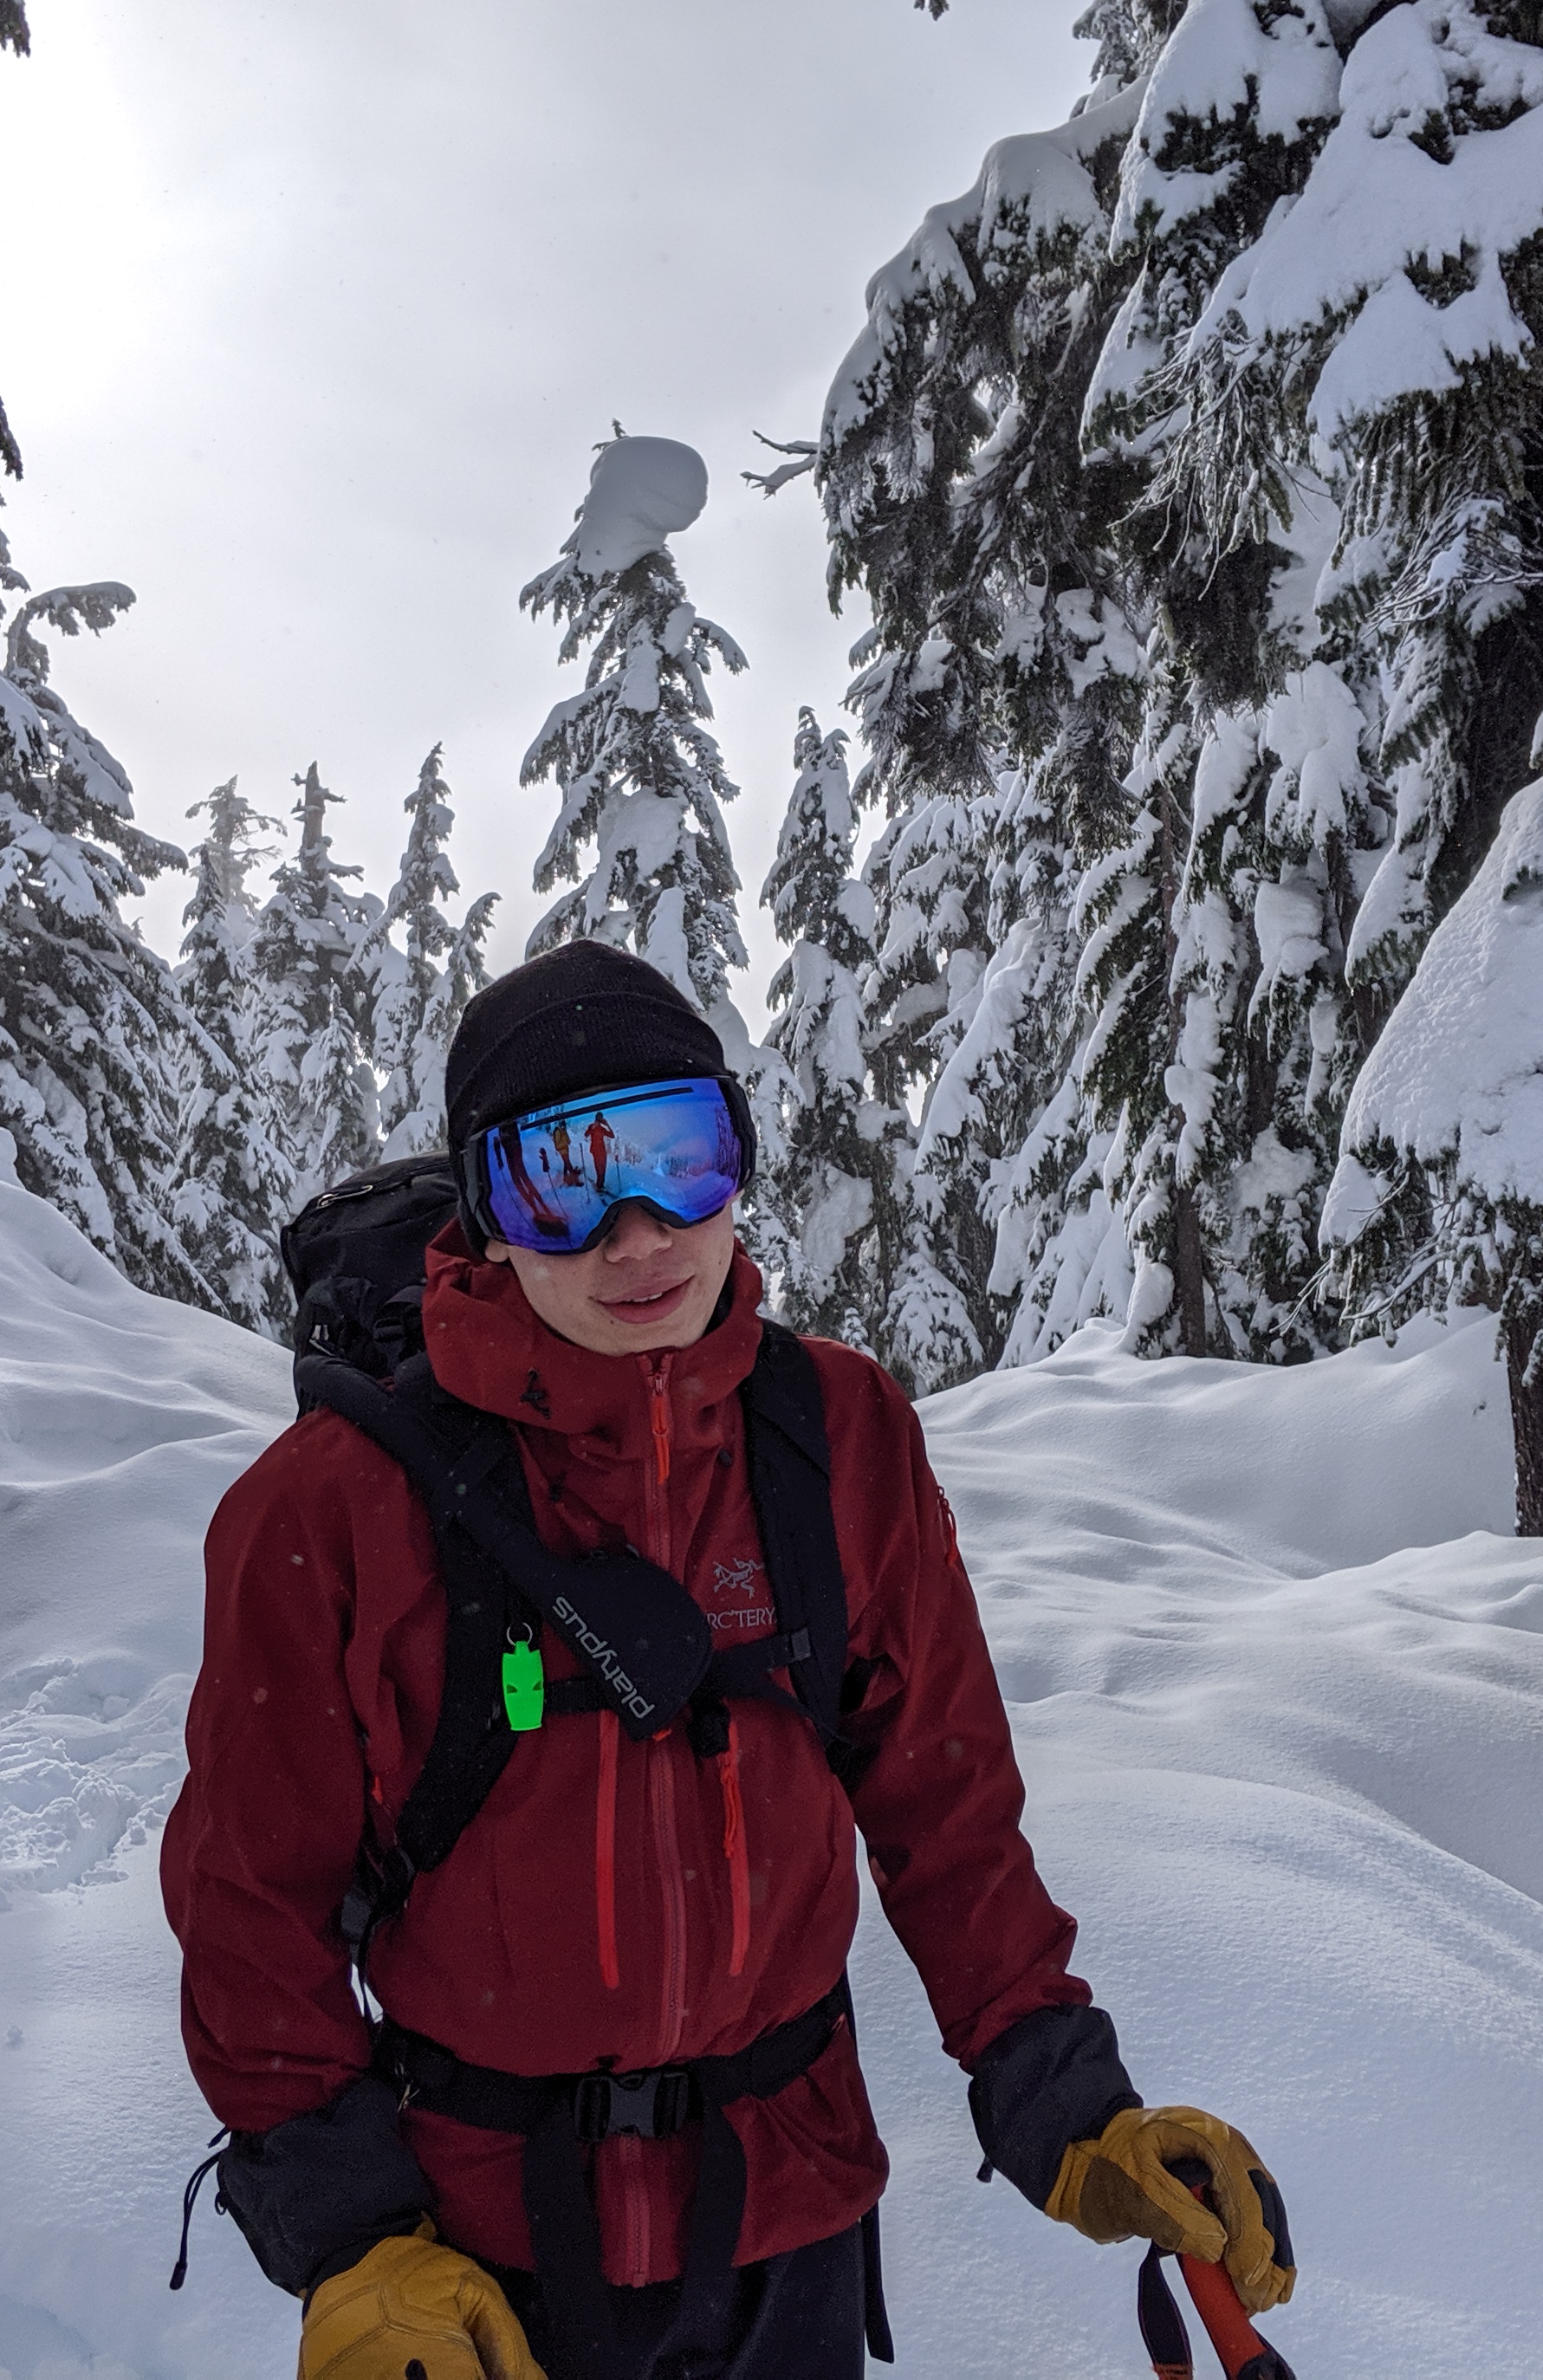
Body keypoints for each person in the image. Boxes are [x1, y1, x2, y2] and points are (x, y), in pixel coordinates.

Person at [161, 942, 1295, 2380]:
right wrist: (354, 2244)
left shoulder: (838, 1438)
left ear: (738, 1156)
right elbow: (250, 1903)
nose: (635, 1236)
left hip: (789, 2229)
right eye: (561, 1182)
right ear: (486, 1218)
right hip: (476, 2259)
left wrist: (1072, 2108)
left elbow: (946, 1808)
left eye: (677, 1157)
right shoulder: (331, 1507)